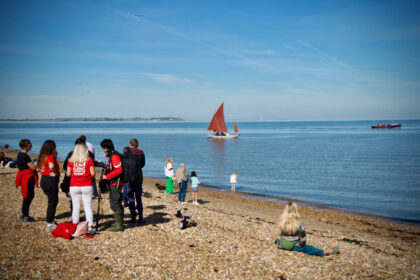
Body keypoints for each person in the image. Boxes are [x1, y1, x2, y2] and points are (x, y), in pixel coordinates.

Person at [275, 202, 339, 257]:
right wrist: (301, 245)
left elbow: (280, 232)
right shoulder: (298, 222)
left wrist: (279, 241)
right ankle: (327, 252)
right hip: (293, 246)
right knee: (310, 248)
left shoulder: (281, 219)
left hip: (281, 244)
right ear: (295, 210)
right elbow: (303, 238)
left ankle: (327, 251)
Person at [66, 140, 96, 235]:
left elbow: (68, 174)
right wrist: (88, 177)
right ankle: (90, 227)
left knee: (76, 207)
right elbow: (93, 174)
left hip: (74, 186)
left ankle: (75, 226)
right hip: (86, 185)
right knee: (88, 207)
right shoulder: (89, 160)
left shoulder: (71, 160)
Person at [100, 139, 124, 232]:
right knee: (116, 201)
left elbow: (119, 170)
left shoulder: (114, 156)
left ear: (106, 147)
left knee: (115, 202)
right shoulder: (113, 155)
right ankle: (118, 222)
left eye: (103, 147)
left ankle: (119, 225)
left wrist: (107, 176)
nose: (102, 149)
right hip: (114, 182)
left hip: (116, 183)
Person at [37, 140, 60, 230]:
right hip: (50, 180)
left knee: (52, 200)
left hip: (44, 180)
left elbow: (41, 167)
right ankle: (49, 221)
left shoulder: (43, 156)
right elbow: (51, 166)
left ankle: (50, 219)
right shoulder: (50, 157)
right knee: (53, 201)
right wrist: (54, 172)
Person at [123, 139, 146, 224]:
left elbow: (124, 164)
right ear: (137, 145)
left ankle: (133, 217)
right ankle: (140, 218)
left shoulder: (127, 153)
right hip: (139, 177)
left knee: (131, 197)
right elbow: (143, 164)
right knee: (138, 198)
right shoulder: (141, 153)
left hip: (129, 178)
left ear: (130, 144)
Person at [15, 139, 38, 222]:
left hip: (25, 177)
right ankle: (25, 215)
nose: (31, 146)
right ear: (25, 146)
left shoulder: (20, 154)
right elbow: (33, 167)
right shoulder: (25, 156)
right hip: (27, 177)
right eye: (29, 144)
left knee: (27, 195)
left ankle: (24, 214)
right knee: (28, 196)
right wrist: (35, 163)